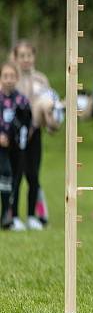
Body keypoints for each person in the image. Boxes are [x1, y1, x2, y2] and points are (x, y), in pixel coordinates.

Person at [10, 40, 61, 230]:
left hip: (35, 135)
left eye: (29, 56)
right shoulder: (11, 78)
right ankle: (13, 215)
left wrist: (51, 123)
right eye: (21, 56)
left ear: (34, 57)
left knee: (33, 175)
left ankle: (33, 215)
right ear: (15, 58)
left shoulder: (41, 79)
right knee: (16, 175)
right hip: (15, 137)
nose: (26, 60)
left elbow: (50, 106)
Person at [0, 62, 32, 232]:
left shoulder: (21, 100)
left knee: (14, 179)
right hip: (1, 147)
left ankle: (9, 215)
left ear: (17, 78)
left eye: (12, 76)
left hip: (16, 147)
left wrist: (22, 136)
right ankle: (6, 213)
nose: (9, 80)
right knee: (5, 174)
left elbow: (28, 121)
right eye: (5, 76)